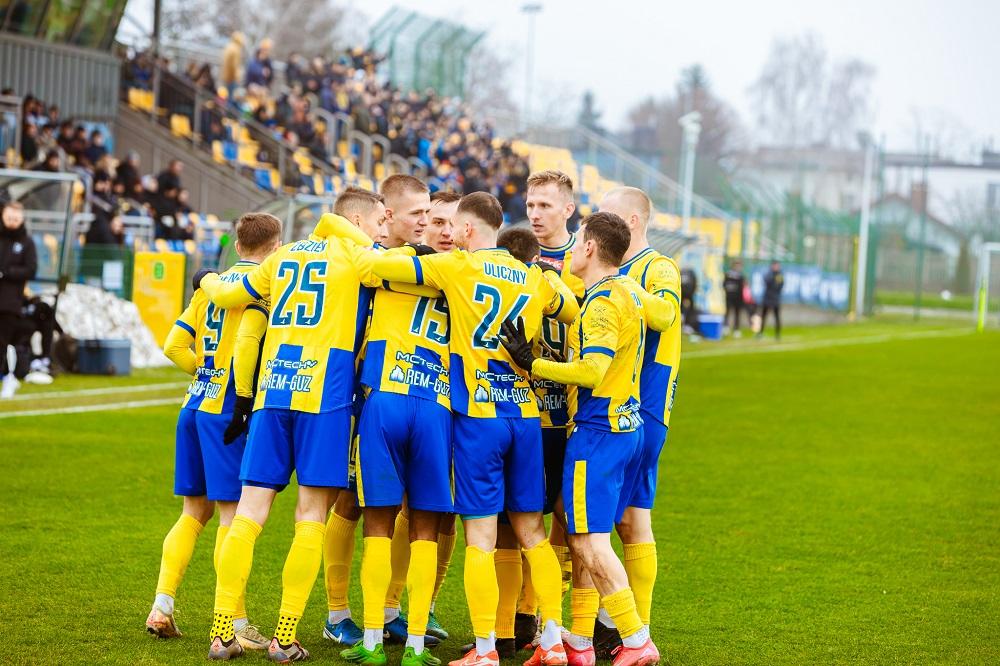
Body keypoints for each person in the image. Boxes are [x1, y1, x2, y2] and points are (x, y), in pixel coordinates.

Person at [366, 192, 579, 666]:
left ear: (466, 231)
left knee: (480, 539)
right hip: (524, 415)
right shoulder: (529, 274)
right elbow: (567, 307)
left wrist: (405, 250)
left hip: (478, 417)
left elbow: (373, 268)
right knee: (532, 533)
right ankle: (551, 641)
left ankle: (485, 650)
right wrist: (547, 277)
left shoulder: (456, 267)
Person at [194, 210, 402, 662]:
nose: (381, 229)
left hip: (273, 391)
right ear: (359, 219)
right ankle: (284, 637)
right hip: (324, 399)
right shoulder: (361, 256)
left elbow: (229, 293)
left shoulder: (282, 255)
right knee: (310, 517)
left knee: (248, 514)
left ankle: (221, 631)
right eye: (376, 220)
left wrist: (207, 278)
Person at [499, 212, 663, 666]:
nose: (570, 252)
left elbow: (592, 370)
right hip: (623, 426)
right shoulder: (627, 289)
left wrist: (532, 363)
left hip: (599, 430)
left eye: (575, 246)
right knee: (579, 536)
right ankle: (580, 641)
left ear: (590, 248)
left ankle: (635, 639)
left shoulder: (603, 303)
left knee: (590, 542)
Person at [145, 212, 282, 652]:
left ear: (238, 247)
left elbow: (172, 345)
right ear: (275, 250)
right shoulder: (265, 290)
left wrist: (201, 371)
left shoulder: (211, 287)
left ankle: (162, 605)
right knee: (231, 516)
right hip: (229, 409)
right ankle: (236, 621)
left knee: (193, 513)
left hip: (194, 405)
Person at [339, 175, 452, 666]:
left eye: (435, 216)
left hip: (382, 397)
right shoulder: (457, 269)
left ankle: (369, 639)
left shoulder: (383, 265)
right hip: (435, 402)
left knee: (378, 523)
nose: (429, 223)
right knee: (424, 523)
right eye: (423, 215)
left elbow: (361, 261)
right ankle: (411, 642)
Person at [597, 187, 682, 658]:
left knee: (593, 523)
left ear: (632, 220)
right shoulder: (618, 268)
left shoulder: (656, 267)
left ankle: (616, 626)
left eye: (607, 213)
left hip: (642, 408)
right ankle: (621, 625)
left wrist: (626, 290)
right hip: (627, 406)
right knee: (631, 520)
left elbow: (666, 314)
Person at [525, 170, 587, 630]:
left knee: (569, 519)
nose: (535, 213)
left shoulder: (585, 260)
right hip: (520, 407)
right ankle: (524, 614)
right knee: (521, 517)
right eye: (530, 205)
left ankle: (559, 617)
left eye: (545, 205)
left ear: (568, 209)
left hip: (569, 413)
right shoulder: (513, 256)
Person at [0, 202, 37, 400]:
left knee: (3, 342)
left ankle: (8, 377)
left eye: (15, 218)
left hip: (10, 302)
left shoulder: (26, 242)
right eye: (8, 217)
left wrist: (7, 273)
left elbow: (31, 269)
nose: (11, 222)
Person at [759, 261, 784, 340]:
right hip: (767, 298)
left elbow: (779, 286)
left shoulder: (779, 275)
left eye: (777, 266)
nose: (776, 267)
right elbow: (766, 282)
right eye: (775, 265)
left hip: (775, 299)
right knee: (763, 316)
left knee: (777, 317)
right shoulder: (768, 274)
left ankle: (777, 334)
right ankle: (760, 333)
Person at [723, 260, 745, 336]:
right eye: (737, 265)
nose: (739, 267)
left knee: (737, 313)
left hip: (738, 298)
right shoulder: (728, 274)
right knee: (728, 312)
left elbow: (742, 288)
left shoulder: (741, 276)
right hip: (729, 297)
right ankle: (725, 327)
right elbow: (724, 285)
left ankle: (736, 329)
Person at [221, 32, 245, 100]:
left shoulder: (229, 46)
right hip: (231, 78)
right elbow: (234, 65)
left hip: (226, 76)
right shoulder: (236, 49)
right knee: (231, 97)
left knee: (225, 95)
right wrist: (237, 77)